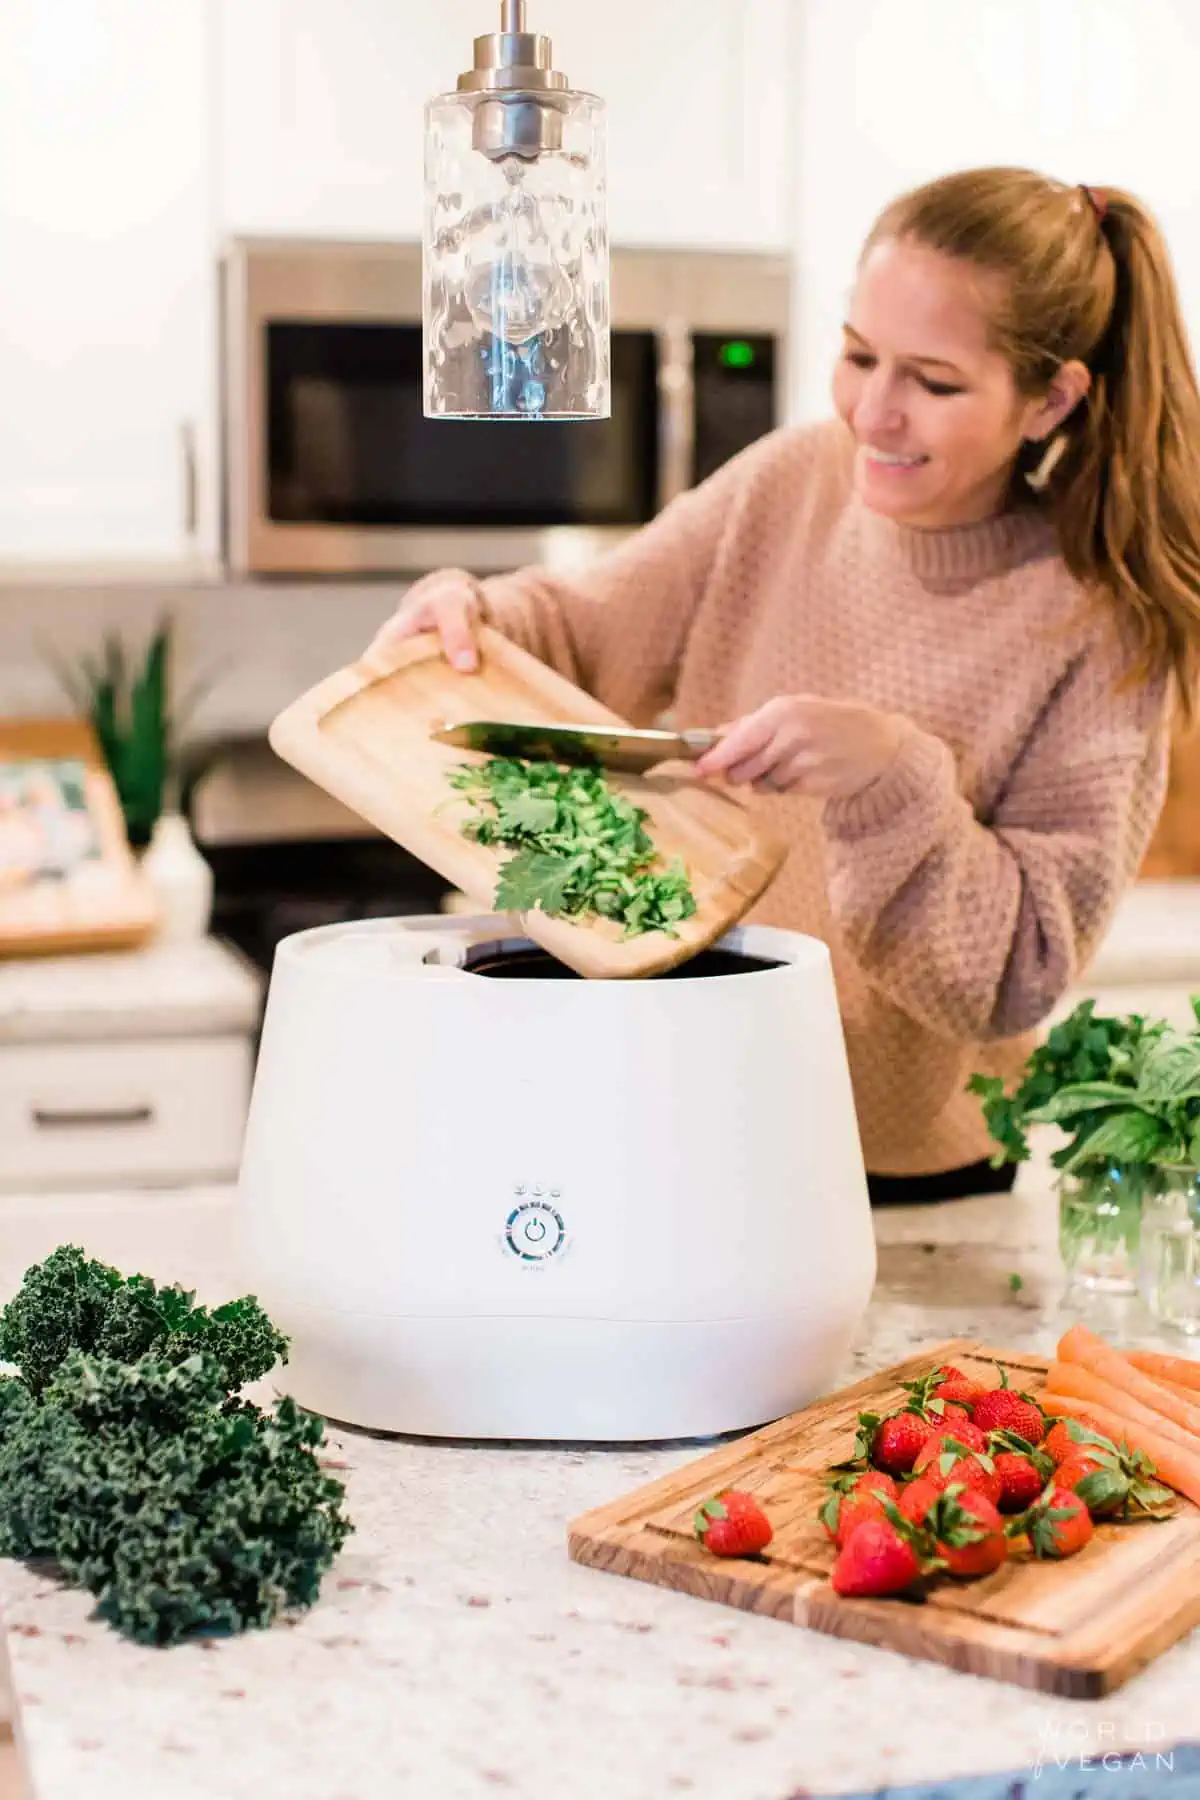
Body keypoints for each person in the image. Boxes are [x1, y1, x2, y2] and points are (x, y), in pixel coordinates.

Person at [370, 167, 1200, 1203]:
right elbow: (582, 631)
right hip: (680, 1115)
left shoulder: (1099, 626)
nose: (874, 414)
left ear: (1051, 401)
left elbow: (1016, 974)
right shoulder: (791, 480)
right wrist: (474, 615)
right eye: (858, 356)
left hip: (896, 1175)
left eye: (934, 383)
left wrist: (893, 776)